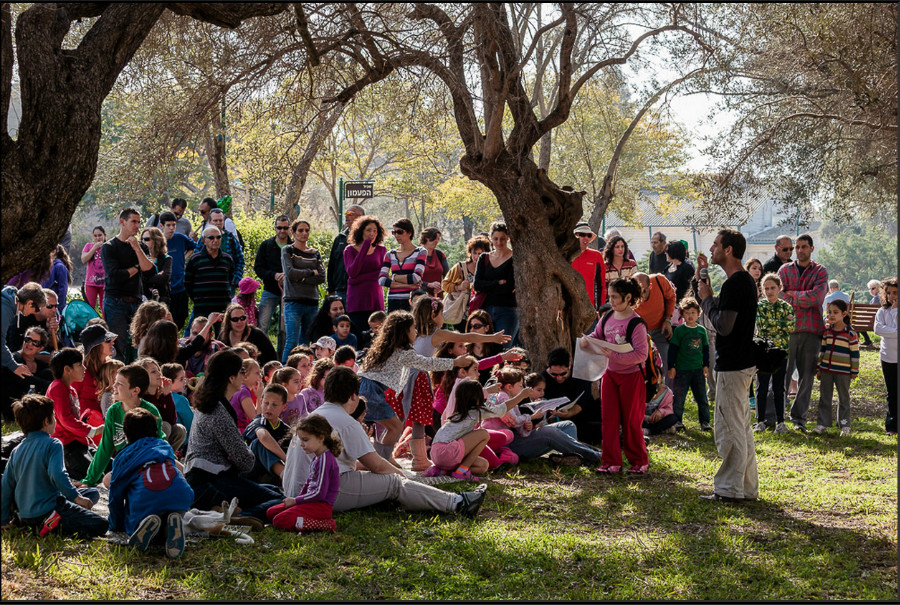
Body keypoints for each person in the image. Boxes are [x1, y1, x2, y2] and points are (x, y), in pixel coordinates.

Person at [282, 366, 488, 517]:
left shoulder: (316, 415)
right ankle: (458, 502)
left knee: (383, 481)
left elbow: (357, 464)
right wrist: (405, 478)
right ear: (354, 396)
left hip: (298, 491)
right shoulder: (345, 421)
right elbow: (378, 466)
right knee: (394, 483)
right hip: (318, 494)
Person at [403, 296, 511, 470]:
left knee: (409, 420)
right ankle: (419, 459)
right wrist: (492, 338)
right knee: (416, 421)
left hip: (406, 378)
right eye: (441, 313)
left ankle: (418, 459)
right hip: (418, 380)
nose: (443, 316)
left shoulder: (413, 333)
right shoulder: (436, 334)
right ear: (433, 315)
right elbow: (467, 335)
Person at [182, 350, 284, 528]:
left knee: (274, 491)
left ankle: (220, 511)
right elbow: (245, 462)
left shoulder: (210, 402)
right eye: (241, 372)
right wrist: (246, 454)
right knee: (279, 499)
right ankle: (233, 516)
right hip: (209, 482)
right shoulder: (218, 411)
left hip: (203, 479)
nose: (243, 376)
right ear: (231, 378)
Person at [695, 228, 759, 502]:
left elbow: (722, 325)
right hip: (740, 362)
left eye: (716, 244)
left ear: (729, 249)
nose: (711, 249)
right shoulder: (740, 282)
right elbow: (713, 310)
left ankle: (729, 490)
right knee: (741, 426)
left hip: (733, 364)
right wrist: (702, 282)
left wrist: (708, 298)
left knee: (729, 427)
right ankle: (745, 487)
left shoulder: (737, 283)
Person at [358, 311, 469, 465]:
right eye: (413, 328)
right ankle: (381, 463)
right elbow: (428, 363)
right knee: (395, 427)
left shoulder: (384, 347)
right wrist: (455, 363)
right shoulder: (403, 353)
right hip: (373, 391)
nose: (416, 332)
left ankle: (384, 459)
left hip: (365, 387)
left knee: (384, 426)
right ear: (404, 332)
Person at [1, 394, 107, 539]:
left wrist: (3, 519)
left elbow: (6, 486)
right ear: (46, 421)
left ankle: (29, 524)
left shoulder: (16, 450)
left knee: (92, 493)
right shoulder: (53, 443)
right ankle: (51, 524)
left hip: (26, 513)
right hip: (51, 507)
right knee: (100, 525)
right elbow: (57, 475)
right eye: (54, 416)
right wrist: (76, 498)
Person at [582, 278, 650, 475]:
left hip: (632, 377)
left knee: (631, 421)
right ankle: (611, 462)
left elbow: (641, 355)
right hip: (609, 375)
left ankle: (639, 462)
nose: (610, 301)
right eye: (609, 296)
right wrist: (587, 341)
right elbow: (597, 335)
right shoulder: (608, 317)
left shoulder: (636, 323)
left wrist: (615, 356)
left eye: (615, 297)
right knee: (609, 419)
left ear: (628, 297)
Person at [107, 407, 194, 558]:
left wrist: (116, 525)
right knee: (171, 513)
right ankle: (172, 525)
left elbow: (116, 492)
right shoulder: (164, 446)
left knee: (137, 518)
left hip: (146, 500)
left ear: (127, 433)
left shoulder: (124, 456)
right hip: (181, 495)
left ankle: (143, 525)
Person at [82, 364, 167, 488]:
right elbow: (105, 448)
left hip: (150, 464)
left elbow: (160, 443)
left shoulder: (150, 411)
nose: (114, 386)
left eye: (119, 384)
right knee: (107, 480)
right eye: (115, 382)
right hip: (128, 465)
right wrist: (89, 480)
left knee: (180, 470)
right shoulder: (113, 411)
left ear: (135, 391)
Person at [432, 378, 531, 479]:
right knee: (483, 434)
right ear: (477, 397)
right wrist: (522, 395)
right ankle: (461, 471)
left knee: (483, 466)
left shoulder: (457, 413)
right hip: (446, 452)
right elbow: (501, 409)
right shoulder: (475, 411)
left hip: (436, 454)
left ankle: (444, 471)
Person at [777, 234, 828, 432]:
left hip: (812, 330)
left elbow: (817, 297)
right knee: (783, 374)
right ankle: (778, 417)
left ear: (811, 248)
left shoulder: (820, 271)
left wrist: (793, 294)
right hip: (788, 330)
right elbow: (779, 297)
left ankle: (799, 418)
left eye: (803, 247)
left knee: (807, 377)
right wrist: (801, 296)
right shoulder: (784, 270)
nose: (799, 250)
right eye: (797, 247)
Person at [266, 415, 340, 533]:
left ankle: (325, 524)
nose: (301, 444)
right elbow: (308, 483)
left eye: (305, 440)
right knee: (271, 512)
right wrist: (297, 500)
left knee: (279, 520)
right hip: (311, 503)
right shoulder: (317, 458)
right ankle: (298, 519)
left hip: (321, 507)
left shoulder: (325, 460)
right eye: (301, 440)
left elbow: (319, 493)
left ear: (321, 438)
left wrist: (296, 501)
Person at [102, 207, 156, 360]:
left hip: (137, 301)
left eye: (139, 222)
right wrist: (137, 267)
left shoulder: (141, 247)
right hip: (116, 302)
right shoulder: (109, 247)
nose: (137, 226)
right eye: (133, 221)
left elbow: (150, 272)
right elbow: (114, 276)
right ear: (122, 222)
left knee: (142, 344)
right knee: (117, 346)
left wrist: (137, 249)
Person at [46, 348, 103, 479]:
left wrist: (88, 439)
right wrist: (92, 431)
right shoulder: (57, 387)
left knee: (109, 465)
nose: (84, 368)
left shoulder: (70, 389)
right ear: (67, 369)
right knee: (94, 475)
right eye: (79, 365)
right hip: (66, 447)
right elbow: (66, 419)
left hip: (79, 442)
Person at [811, 300, 859, 436]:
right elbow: (823, 351)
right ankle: (822, 424)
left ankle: (844, 425)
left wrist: (854, 370)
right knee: (824, 397)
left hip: (843, 372)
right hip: (827, 370)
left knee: (843, 398)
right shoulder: (827, 332)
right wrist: (820, 368)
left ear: (844, 314)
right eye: (829, 312)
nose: (831, 315)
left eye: (835, 312)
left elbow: (855, 354)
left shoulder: (850, 333)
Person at [754, 273, 795, 434]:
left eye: (772, 288)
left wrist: (779, 324)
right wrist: (782, 323)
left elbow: (792, 327)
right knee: (762, 387)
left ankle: (781, 421)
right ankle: (760, 421)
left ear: (780, 288)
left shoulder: (786, 306)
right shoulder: (760, 306)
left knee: (779, 388)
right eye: (766, 288)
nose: (769, 291)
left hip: (781, 353)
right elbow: (762, 325)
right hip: (764, 353)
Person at [282, 219, 326, 359]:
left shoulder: (315, 253)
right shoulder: (288, 250)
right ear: (293, 232)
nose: (304, 233)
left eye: (307, 230)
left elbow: (321, 277)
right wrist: (311, 272)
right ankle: (283, 371)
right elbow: (290, 273)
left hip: (312, 302)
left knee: (306, 342)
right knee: (292, 342)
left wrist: (301, 277)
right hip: (293, 301)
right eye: (300, 230)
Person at [667, 297, 711, 431]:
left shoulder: (701, 330)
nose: (690, 315)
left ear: (698, 313)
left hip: (697, 370)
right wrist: (671, 367)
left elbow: (706, 349)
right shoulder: (679, 331)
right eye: (687, 313)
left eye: (693, 312)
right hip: (682, 370)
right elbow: (672, 350)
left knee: (702, 397)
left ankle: (705, 422)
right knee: (679, 398)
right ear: (682, 314)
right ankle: (677, 421)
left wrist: (706, 365)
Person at [473, 221, 519, 346]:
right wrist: (498, 282)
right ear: (491, 238)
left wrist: (487, 285)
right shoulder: (484, 258)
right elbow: (477, 285)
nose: (499, 242)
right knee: (483, 348)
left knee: (503, 348)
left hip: (507, 310)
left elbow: (509, 286)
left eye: (502, 239)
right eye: (496, 239)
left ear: (508, 238)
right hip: (485, 308)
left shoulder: (515, 258)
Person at [254, 215, 292, 357]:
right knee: (262, 325)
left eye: (285, 228)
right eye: (279, 227)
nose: (282, 230)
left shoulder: (293, 247)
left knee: (284, 328)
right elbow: (258, 268)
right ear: (275, 228)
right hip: (270, 290)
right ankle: (261, 356)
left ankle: (281, 356)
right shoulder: (266, 246)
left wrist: (287, 276)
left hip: (288, 293)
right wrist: (274, 275)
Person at [344, 215, 387, 336]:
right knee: (359, 335)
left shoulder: (381, 250)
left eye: (375, 231)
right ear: (360, 231)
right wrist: (364, 247)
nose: (372, 233)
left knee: (378, 336)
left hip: (375, 299)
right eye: (368, 230)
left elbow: (382, 275)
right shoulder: (349, 250)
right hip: (357, 300)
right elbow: (352, 272)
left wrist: (357, 279)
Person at [135, 357, 187, 453]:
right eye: (153, 372)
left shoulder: (160, 394)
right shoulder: (139, 396)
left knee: (180, 429)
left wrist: (167, 395)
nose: (159, 374)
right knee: (165, 427)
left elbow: (172, 420)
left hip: (160, 434)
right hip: (143, 441)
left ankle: (168, 456)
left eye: (158, 370)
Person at [242, 384, 291, 485]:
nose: (269, 408)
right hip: (248, 471)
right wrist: (288, 461)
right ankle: (286, 476)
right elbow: (263, 437)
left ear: (284, 407)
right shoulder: (258, 422)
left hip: (268, 475)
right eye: (266, 403)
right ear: (261, 402)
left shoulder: (285, 429)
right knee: (258, 443)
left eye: (275, 405)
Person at [184, 226, 235, 322]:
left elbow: (230, 279)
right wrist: (197, 298)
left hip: (223, 307)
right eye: (211, 238)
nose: (215, 240)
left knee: (222, 335)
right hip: (202, 307)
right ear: (203, 240)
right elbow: (187, 283)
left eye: (218, 237)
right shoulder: (195, 259)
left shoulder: (227, 259)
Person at [2, 327, 54, 420]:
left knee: (48, 373)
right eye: (28, 339)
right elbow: (27, 380)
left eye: (35, 343)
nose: (30, 344)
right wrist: (54, 386)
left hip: (33, 405)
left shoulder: (39, 364)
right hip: (14, 406)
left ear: (41, 348)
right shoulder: (14, 360)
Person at [442, 236, 491, 331]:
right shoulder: (460, 267)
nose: (477, 257)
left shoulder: (489, 268)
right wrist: (458, 287)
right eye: (474, 253)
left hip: (482, 312)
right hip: (462, 313)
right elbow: (444, 285)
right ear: (470, 253)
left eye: (480, 253)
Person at [1, 283, 47, 384]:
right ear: (30, 303)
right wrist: (14, 366)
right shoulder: (6, 309)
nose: (35, 312)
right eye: (37, 309)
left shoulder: (9, 302)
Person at [633, 272, 676, 377]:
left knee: (669, 363)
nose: (640, 295)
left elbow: (671, 297)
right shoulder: (630, 293)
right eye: (637, 291)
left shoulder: (659, 281)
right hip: (641, 332)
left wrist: (668, 320)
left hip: (660, 327)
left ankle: (669, 391)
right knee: (641, 365)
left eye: (643, 291)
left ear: (650, 287)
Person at [380, 218, 426, 313]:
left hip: (412, 301)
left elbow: (416, 278)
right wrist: (408, 285)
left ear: (409, 233)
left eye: (400, 232)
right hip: (393, 301)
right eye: (394, 232)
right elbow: (382, 280)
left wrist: (393, 277)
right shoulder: (390, 254)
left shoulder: (421, 252)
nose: (397, 235)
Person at [194, 208, 244, 297]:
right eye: (215, 220)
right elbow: (195, 260)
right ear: (209, 221)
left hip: (227, 284)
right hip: (206, 284)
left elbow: (240, 260)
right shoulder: (204, 238)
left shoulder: (231, 238)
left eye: (220, 220)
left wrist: (235, 279)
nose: (218, 223)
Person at [158, 211, 194, 331]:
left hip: (181, 285)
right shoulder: (157, 241)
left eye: (174, 225)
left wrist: (184, 257)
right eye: (168, 225)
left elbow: (194, 246)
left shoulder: (180, 238)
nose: (172, 228)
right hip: (165, 288)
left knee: (181, 316)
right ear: (162, 226)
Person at [72, 324, 117, 418]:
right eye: (108, 340)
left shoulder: (111, 366)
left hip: (107, 421)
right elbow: (70, 400)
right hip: (86, 424)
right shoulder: (80, 369)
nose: (112, 343)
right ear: (95, 346)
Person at [326, 204, 366, 304]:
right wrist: (331, 290)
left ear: (361, 217)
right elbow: (332, 265)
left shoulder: (368, 239)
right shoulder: (340, 238)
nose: (346, 216)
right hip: (341, 290)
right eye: (345, 213)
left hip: (361, 290)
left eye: (350, 214)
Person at [874, 278, 898, 434]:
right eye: (888, 293)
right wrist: (895, 332)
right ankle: (892, 425)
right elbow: (878, 330)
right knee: (892, 392)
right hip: (887, 356)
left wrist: (896, 311)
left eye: (895, 292)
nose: (891, 296)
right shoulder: (882, 311)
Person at [571, 222, 606, 315]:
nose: (586, 238)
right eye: (582, 234)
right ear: (575, 236)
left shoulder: (596, 256)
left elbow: (601, 285)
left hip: (590, 309)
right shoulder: (565, 255)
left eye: (589, 235)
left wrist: (600, 309)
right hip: (568, 309)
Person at [160, 363, 193, 444]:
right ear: (169, 381)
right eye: (181, 379)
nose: (185, 382)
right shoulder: (180, 400)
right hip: (181, 442)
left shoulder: (159, 396)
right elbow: (191, 423)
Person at [139, 227, 173, 306]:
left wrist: (146, 275)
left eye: (146, 239)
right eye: (142, 239)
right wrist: (155, 276)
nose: (143, 242)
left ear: (156, 240)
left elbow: (164, 279)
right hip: (143, 300)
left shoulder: (166, 258)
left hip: (162, 300)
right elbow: (139, 278)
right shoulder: (139, 258)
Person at [230, 358, 262, 433]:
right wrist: (259, 396)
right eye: (257, 373)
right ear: (245, 376)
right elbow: (255, 419)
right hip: (238, 430)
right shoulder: (243, 391)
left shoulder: (241, 388)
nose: (260, 376)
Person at [81, 226, 107, 316]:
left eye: (100, 235)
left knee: (104, 307)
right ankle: (89, 326)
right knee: (89, 307)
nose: (97, 238)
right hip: (91, 282)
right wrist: (94, 248)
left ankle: (105, 326)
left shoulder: (108, 247)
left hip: (105, 282)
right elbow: (84, 259)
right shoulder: (89, 246)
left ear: (104, 235)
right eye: (95, 236)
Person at [41, 244, 73, 317]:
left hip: (55, 307)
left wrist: (58, 307)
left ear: (54, 251)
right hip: (45, 304)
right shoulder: (47, 266)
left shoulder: (59, 267)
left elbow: (63, 290)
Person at [419, 227, 449, 297]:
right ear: (426, 238)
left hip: (437, 297)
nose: (436, 241)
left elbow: (448, 277)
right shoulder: (416, 255)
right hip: (420, 297)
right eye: (434, 238)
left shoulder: (440, 255)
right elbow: (412, 279)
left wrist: (441, 287)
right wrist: (428, 284)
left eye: (438, 239)